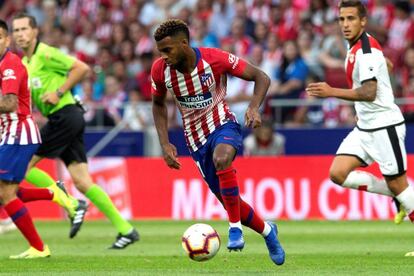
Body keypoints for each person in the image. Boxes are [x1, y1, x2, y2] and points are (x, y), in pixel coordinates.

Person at [151, 19, 285, 265]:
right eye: (160, 51)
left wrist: (254, 107)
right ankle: (268, 232)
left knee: (222, 158)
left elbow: (261, 77)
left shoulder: (215, 59)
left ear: (184, 43)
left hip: (223, 123)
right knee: (229, 200)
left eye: (167, 50)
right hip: (195, 140)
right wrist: (165, 142)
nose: (164, 56)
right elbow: (158, 104)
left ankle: (234, 228)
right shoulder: (160, 70)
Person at [12, 13, 139, 249]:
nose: (20, 35)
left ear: (35, 31)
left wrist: (58, 92)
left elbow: (82, 68)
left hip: (66, 115)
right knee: (82, 181)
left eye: (24, 29)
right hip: (64, 118)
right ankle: (126, 229)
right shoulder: (26, 63)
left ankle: (70, 203)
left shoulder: (46, 53)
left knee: (24, 163)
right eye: (16, 30)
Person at [306, 0, 414, 256]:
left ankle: (402, 195)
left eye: (351, 19)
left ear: (363, 21)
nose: (345, 24)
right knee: (338, 173)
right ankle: (399, 194)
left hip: (384, 126)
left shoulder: (364, 50)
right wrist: (384, 67)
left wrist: (331, 91)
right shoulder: (361, 45)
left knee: (400, 183)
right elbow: (385, 64)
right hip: (364, 128)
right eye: (342, 19)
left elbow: (368, 91)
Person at [0, 19, 50, 258]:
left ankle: (39, 248)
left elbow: (9, 104)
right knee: (7, 192)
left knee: (5, 193)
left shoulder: (10, 64)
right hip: (8, 134)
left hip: (18, 132)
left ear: (6, 40)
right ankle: (53, 193)